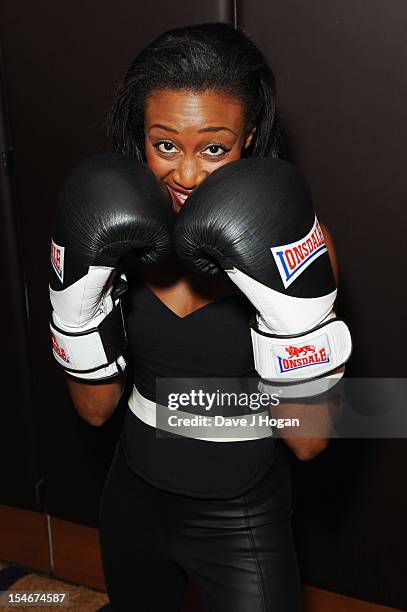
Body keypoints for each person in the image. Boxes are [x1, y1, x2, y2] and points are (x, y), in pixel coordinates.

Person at [50, 23, 348, 612]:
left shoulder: (295, 244)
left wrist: (290, 325)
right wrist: (75, 306)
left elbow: (311, 443)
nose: (186, 175)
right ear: (141, 138)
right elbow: (95, 409)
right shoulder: (112, 233)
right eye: (166, 145)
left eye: (214, 148)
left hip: (241, 514)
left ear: (249, 138)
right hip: (132, 495)